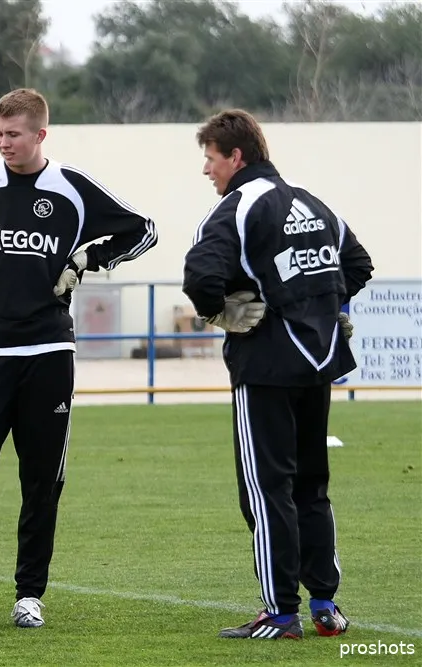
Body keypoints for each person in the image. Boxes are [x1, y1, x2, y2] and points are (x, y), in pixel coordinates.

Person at [0, 88, 158, 630]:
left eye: (13, 135)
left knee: (42, 481)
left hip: (48, 352)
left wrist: (88, 258)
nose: (4, 143)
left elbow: (144, 229)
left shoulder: (72, 189)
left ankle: (28, 596)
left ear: (40, 134)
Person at [182, 109, 373, 640]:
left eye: (210, 158)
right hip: (319, 364)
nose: (207, 170)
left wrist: (220, 312)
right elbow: (358, 265)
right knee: (312, 487)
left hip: (265, 366)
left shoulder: (236, 207)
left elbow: (200, 277)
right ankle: (326, 606)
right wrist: (324, 309)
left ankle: (281, 613)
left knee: (267, 490)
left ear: (235, 156)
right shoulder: (312, 202)